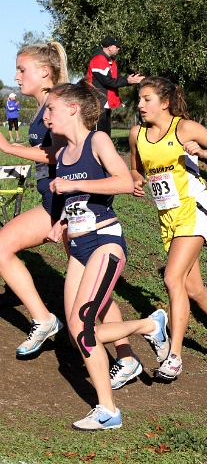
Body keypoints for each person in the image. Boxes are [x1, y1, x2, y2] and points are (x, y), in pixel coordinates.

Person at [7, 80, 171, 430]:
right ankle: (109, 405)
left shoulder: (97, 140)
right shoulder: (63, 152)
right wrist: (59, 223)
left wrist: (73, 185)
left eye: (51, 108)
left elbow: (125, 182)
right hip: (78, 248)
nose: (45, 115)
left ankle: (115, 397)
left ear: (72, 109)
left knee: (83, 326)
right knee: (75, 332)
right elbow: (74, 201)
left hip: (105, 242)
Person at [0, 44, 135, 377]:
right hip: (56, 204)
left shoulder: (57, 105)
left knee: (92, 287)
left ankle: (51, 322)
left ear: (44, 72)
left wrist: (8, 148)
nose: (17, 77)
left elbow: (59, 155)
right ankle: (124, 355)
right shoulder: (41, 106)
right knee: (94, 287)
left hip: (66, 205)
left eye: (22, 69)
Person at [130, 77, 207, 380]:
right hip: (167, 217)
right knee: (192, 288)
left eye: (147, 99)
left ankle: (174, 356)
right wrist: (135, 179)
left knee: (172, 278)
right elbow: (135, 166)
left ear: (164, 103)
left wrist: (202, 152)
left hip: (194, 211)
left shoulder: (184, 128)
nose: (140, 105)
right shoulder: (137, 134)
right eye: (139, 99)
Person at [86, 36, 144, 137]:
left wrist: (130, 80)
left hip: (105, 104)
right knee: (96, 136)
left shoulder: (111, 61)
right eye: (116, 46)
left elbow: (117, 79)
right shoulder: (99, 60)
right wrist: (127, 80)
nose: (118, 48)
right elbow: (108, 81)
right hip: (97, 103)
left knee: (105, 135)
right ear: (109, 47)